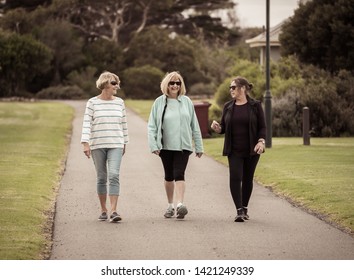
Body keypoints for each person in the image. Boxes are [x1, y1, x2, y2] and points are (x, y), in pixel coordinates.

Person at [148, 71, 203, 219]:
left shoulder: (187, 102)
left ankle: (180, 204)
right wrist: (153, 144)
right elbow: (152, 125)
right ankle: (170, 205)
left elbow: (195, 125)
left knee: (179, 174)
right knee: (168, 176)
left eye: (178, 83)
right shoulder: (159, 102)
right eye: (172, 83)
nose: (175, 85)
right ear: (167, 84)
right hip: (165, 146)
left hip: (183, 146)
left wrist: (199, 146)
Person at [211, 76, 266, 222]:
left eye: (233, 87)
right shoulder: (228, 106)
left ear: (243, 88)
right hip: (234, 149)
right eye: (230, 87)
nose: (231, 90)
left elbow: (262, 127)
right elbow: (223, 128)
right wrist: (218, 128)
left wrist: (261, 142)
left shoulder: (255, 106)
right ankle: (239, 210)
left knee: (248, 178)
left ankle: (245, 207)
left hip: (251, 150)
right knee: (235, 177)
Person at [81, 71, 129, 223]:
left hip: (116, 144)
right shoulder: (92, 103)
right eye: (114, 83)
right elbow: (87, 123)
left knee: (114, 175)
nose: (117, 86)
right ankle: (103, 210)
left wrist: (125, 142)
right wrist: (85, 143)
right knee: (102, 177)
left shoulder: (120, 102)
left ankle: (114, 211)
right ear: (105, 84)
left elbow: (124, 124)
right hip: (98, 144)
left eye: (117, 83)